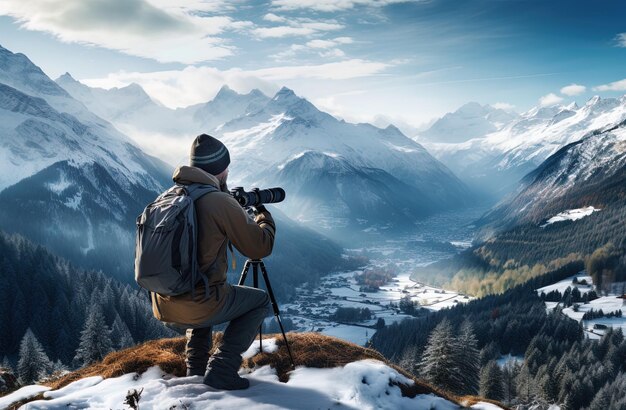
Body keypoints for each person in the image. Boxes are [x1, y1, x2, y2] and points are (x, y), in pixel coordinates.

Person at [151, 134, 275, 390]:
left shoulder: (170, 196)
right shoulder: (219, 202)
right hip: (198, 304)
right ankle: (222, 368)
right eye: (227, 167)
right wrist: (264, 218)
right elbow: (260, 247)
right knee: (259, 301)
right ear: (221, 170)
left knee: (201, 287)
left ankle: (195, 370)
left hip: (164, 304)